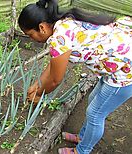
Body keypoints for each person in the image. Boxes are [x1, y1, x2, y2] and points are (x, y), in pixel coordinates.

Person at [18, 0, 132, 154]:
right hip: (118, 62)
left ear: (42, 27)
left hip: (125, 72)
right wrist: (37, 85)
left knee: (95, 113)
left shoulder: (59, 39)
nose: (31, 39)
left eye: (30, 35)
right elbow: (53, 65)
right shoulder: (63, 23)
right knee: (93, 100)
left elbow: (55, 80)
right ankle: (84, 137)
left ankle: (82, 151)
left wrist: (39, 93)